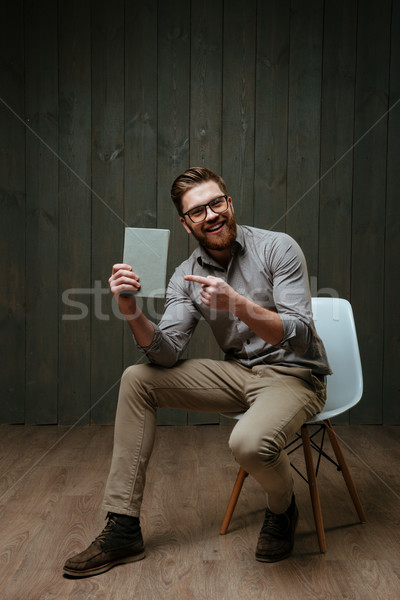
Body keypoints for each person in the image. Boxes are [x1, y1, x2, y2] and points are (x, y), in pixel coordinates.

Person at [63, 167, 331, 577]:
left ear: (229, 203)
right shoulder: (185, 276)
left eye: (216, 203)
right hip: (239, 374)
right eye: (197, 211)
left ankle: (284, 506)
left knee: (248, 442)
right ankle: (123, 528)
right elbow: (166, 354)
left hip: (294, 376)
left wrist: (239, 304)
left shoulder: (278, 248)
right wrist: (131, 311)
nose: (210, 215)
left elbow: (299, 336)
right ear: (186, 224)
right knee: (138, 380)